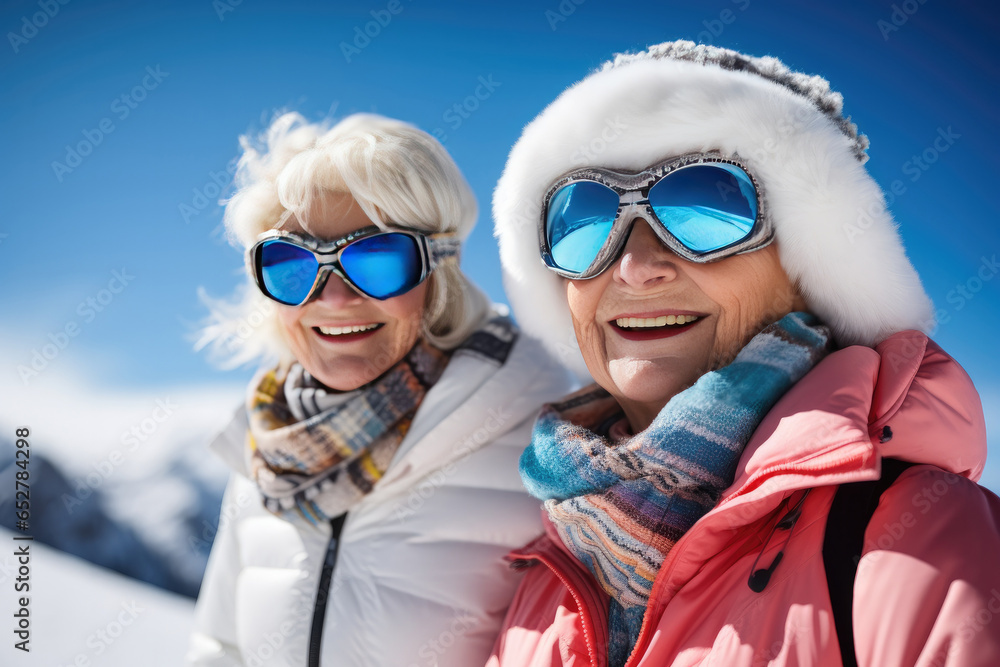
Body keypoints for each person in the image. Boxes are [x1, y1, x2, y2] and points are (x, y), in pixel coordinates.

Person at [488, 41, 1000, 666]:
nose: (635, 267)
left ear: (809, 267)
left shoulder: (913, 540)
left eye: (704, 208)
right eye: (586, 220)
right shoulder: (544, 572)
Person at [186, 112, 573, 666]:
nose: (335, 298)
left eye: (377, 257)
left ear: (440, 269)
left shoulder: (545, 446)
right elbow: (219, 647)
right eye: (291, 263)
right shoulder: (264, 448)